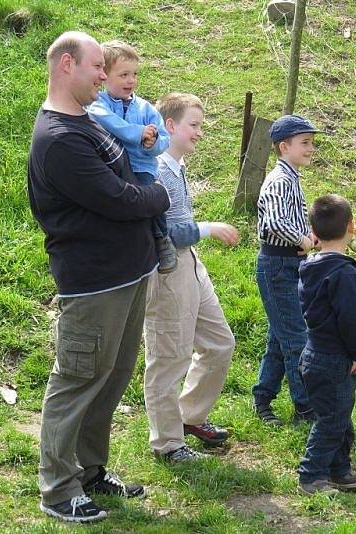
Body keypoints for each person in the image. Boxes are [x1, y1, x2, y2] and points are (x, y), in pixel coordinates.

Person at [27, 31, 170, 523]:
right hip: (93, 283)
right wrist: (160, 197)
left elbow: (129, 175)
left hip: (129, 273)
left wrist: (142, 190)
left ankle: (90, 470)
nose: (104, 76)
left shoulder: (88, 122)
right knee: (78, 378)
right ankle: (58, 487)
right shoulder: (59, 139)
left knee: (110, 377)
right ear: (67, 65)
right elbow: (120, 198)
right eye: (96, 68)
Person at [143, 93, 239, 462]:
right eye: (194, 125)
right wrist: (209, 228)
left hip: (192, 265)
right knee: (169, 357)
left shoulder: (177, 166)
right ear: (170, 126)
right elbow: (166, 232)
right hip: (168, 271)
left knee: (219, 343)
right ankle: (167, 444)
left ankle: (189, 417)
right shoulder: (160, 170)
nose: (200, 132)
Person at [296, 194, 356, 495]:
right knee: (331, 420)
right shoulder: (344, 274)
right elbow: (350, 320)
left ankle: (340, 470)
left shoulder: (310, 267)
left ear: (313, 233)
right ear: (351, 226)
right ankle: (310, 475)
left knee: (338, 415)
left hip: (312, 353)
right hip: (335, 358)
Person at [252, 115, 320, 426]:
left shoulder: (290, 178)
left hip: (291, 263)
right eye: (304, 143)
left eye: (312, 143)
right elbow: (274, 223)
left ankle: (263, 398)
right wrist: (303, 238)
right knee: (296, 339)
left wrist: (309, 234)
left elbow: (287, 219)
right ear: (284, 146)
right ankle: (306, 408)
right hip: (278, 266)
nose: (310, 148)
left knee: (280, 338)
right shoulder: (279, 180)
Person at [87, 40, 177, 273]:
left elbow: (165, 139)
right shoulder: (98, 102)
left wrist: (152, 142)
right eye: (124, 74)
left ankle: (161, 239)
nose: (131, 80)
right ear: (105, 76)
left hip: (141, 166)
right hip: (111, 166)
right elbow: (108, 122)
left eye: (134, 74)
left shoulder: (146, 108)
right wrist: (137, 133)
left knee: (150, 196)